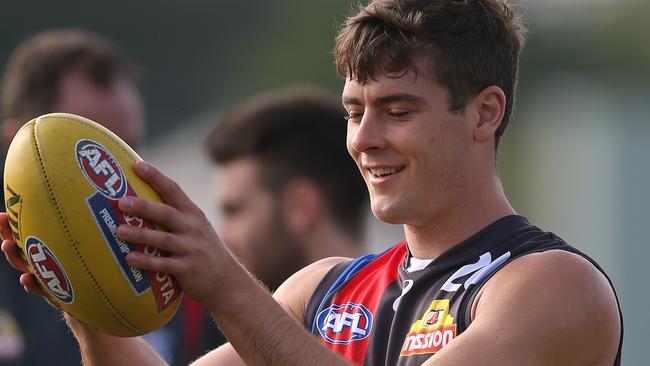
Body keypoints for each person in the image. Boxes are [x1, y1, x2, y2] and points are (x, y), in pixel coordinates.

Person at [1, 0, 623, 365]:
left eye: (398, 111)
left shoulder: (555, 287)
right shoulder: (322, 290)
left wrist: (224, 284)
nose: (364, 138)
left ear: (485, 113)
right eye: (355, 111)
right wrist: (81, 287)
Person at [0, 28, 146, 365]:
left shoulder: (175, 273)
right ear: (15, 145)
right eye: (89, 151)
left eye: (129, 149)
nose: (119, 174)